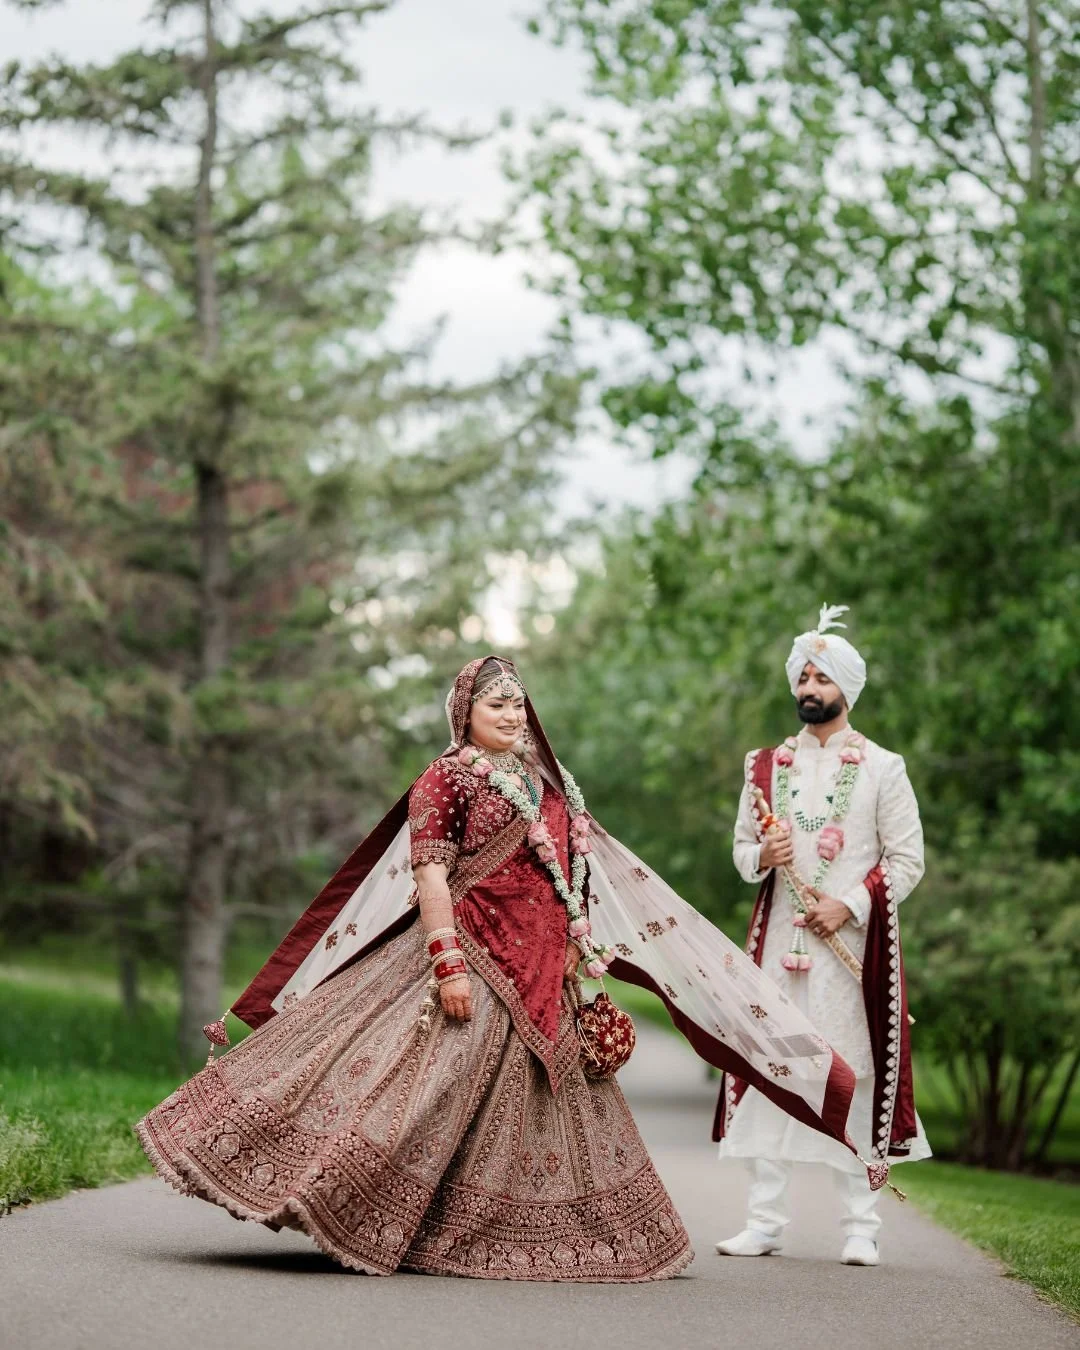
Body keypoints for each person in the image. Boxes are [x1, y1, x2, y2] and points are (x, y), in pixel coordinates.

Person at [138, 655, 877, 1281]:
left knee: (535, 1107)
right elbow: (429, 876)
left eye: (520, 704)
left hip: (547, 973)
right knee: (426, 1089)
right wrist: (447, 964)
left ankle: (477, 1232)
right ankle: (339, 1200)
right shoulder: (447, 779)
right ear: (465, 712)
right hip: (466, 957)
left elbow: (572, 874)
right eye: (498, 704)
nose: (514, 714)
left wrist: (581, 952)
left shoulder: (548, 785)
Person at [715, 606, 931, 1267]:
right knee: (771, 1067)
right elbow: (742, 852)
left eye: (822, 677)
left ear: (847, 688)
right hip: (779, 941)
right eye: (802, 676)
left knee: (851, 1074)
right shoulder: (763, 767)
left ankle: (861, 1227)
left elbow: (905, 860)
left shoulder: (882, 768)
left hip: (848, 954)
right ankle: (764, 1221)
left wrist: (849, 906)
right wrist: (765, 859)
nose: (809, 687)